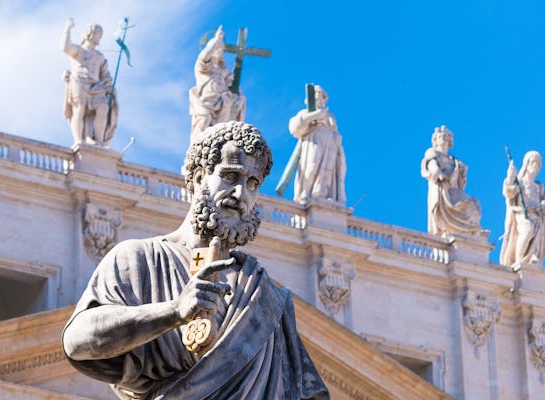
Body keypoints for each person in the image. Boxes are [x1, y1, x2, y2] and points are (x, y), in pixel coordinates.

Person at [62, 121, 329, 400]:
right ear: (199, 177)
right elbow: (77, 341)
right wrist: (174, 311)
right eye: (230, 176)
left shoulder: (269, 298)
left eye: (252, 183)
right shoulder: (139, 259)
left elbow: (308, 394)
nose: (241, 195)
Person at [420, 125, 486, 237]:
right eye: (441, 136)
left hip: (454, 189)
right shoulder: (432, 153)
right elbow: (431, 165)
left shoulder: (453, 159)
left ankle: (472, 231)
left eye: (446, 137)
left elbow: (461, 181)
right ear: (435, 140)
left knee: (472, 206)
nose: (444, 139)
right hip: (443, 189)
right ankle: (453, 230)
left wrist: (462, 171)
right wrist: (438, 173)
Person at [62, 18, 117, 148]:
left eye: (100, 35)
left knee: (103, 107)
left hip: (96, 87)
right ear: (89, 34)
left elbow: (105, 76)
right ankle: (78, 140)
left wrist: (108, 86)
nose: (99, 38)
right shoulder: (78, 50)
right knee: (79, 109)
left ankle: (98, 141)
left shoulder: (100, 57)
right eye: (98, 34)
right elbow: (65, 47)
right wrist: (68, 29)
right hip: (79, 82)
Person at [499, 151, 545, 268]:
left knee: (535, 241)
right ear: (527, 164)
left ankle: (531, 259)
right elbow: (509, 192)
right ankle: (519, 261)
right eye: (533, 163)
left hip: (537, 216)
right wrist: (510, 177)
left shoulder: (539, 186)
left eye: (538, 165)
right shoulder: (520, 182)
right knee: (527, 231)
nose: (535, 167)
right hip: (522, 214)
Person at [289, 85, 346, 205]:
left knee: (328, 170)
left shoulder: (330, 116)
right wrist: (316, 115)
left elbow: (335, 130)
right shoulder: (305, 112)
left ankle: (322, 196)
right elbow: (295, 127)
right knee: (311, 167)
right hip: (313, 141)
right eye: (316, 95)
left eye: (321, 96)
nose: (318, 98)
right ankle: (305, 194)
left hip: (330, 143)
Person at [188, 26, 245, 141]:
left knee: (221, 134)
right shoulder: (203, 68)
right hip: (206, 104)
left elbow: (233, 89)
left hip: (223, 104)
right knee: (204, 124)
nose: (220, 50)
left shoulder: (223, 72)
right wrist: (216, 41)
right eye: (217, 48)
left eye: (221, 49)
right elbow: (203, 57)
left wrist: (238, 98)